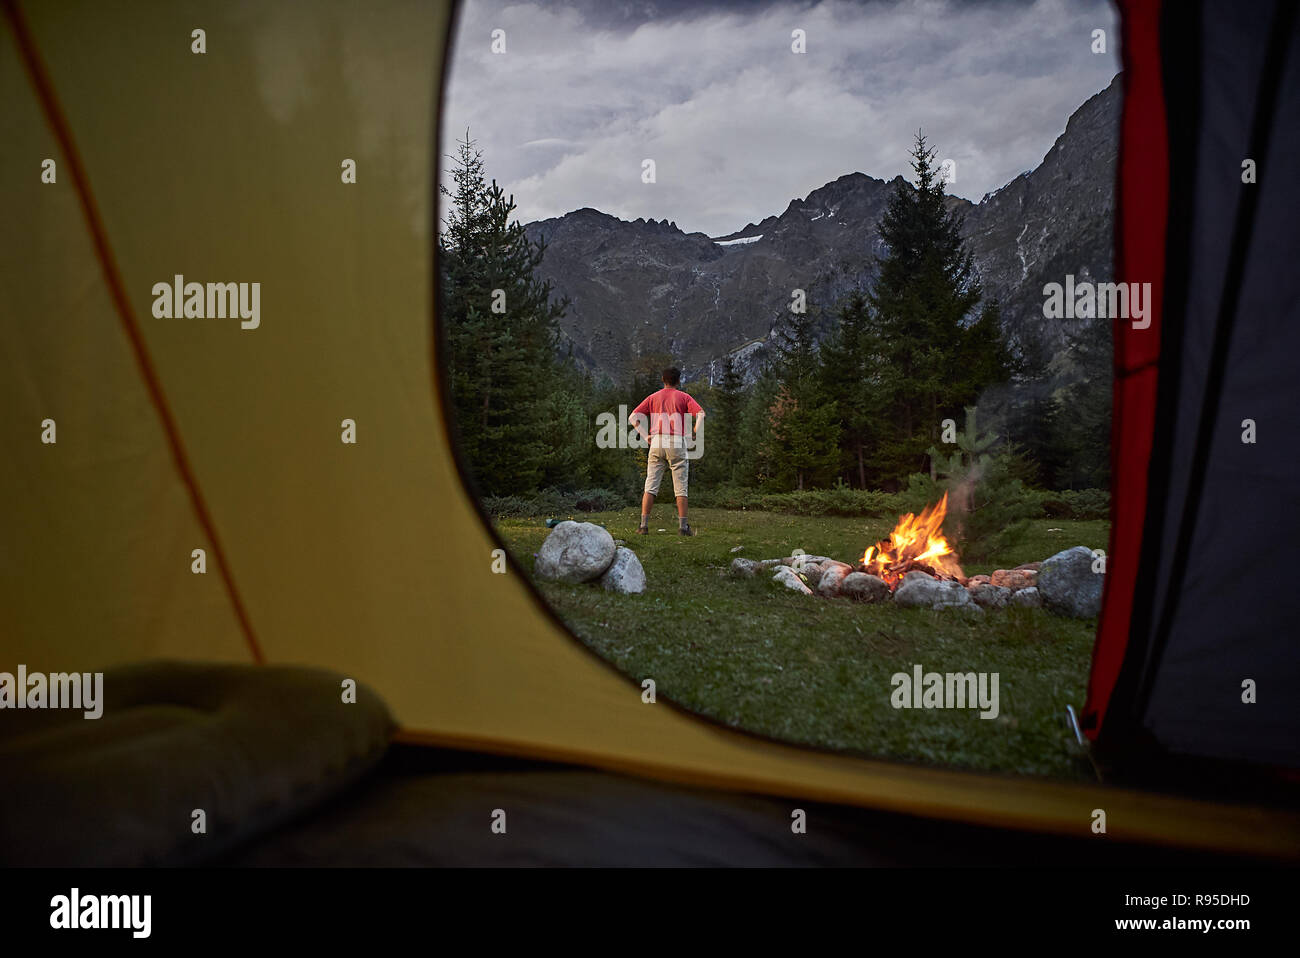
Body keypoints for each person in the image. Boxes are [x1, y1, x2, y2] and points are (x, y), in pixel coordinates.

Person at [629, 367, 704, 535]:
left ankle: (643, 526)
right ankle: (683, 528)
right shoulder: (684, 397)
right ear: (678, 381)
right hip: (676, 442)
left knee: (651, 485)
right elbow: (701, 414)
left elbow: (632, 418)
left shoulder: (652, 397)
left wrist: (645, 436)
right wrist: (694, 431)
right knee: (681, 488)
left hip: (656, 442)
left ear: (663, 380)